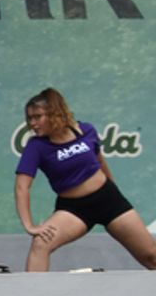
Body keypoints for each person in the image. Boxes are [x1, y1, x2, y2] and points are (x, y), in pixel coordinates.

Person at [14, 88, 156, 272]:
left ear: (55, 114)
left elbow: (100, 163)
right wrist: (29, 225)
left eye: (38, 117)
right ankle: (32, 292)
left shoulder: (86, 130)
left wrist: (114, 194)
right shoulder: (36, 146)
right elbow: (22, 187)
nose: (32, 123)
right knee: (40, 244)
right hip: (74, 210)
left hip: (108, 199)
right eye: (30, 118)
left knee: (151, 255)